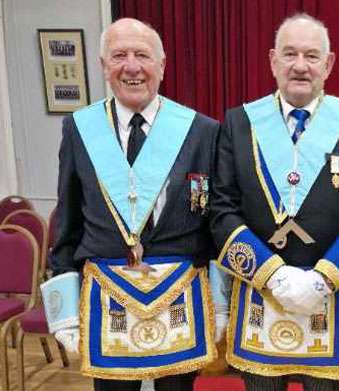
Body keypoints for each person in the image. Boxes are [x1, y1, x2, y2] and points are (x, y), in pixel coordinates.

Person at [210, 13, 339, 391]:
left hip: (329, 297)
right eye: (289, 54)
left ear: (329, 64)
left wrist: (322, 279)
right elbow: (221, 210)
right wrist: (273, 274)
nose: (300, 66)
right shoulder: (240, 122)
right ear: (273, 61)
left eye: (311, 56)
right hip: (259, 294)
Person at [49, 18, 221, 391]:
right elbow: (67, 220)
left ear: (162, 65)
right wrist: (63, 312)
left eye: (142, 55)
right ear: (103, 65)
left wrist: (220, 303)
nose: (131, 66)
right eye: (119, 55)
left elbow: (217, 222)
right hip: (107, 298)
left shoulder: (202, 130)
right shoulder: (80, 128)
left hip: (181, 295)